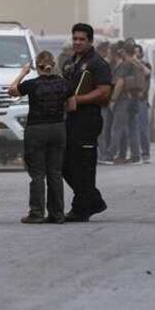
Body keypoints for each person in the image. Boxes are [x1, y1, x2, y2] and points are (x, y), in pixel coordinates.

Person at [61, 23, 113, 222]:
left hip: (88, 118)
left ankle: (82, 208)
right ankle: (93, 199)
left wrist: (78, 100)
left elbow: (104, 91)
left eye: (82, 39)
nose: (77, 42)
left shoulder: (97, 63)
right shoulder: (69, 62)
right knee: (64, 163)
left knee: (84, 165)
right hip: (69, 119)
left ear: (90, 41)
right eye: (75, 39)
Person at [9, 51, 69, 224]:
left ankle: (36, 212)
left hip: (36, 129)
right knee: (55, 172)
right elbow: (71, 106)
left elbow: (12, 91)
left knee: (37, 173)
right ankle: (57, 213)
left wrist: (23, 72)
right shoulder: (64, 84)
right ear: (53, 64)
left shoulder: (32, 84)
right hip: (58, 128)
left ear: (37, 66)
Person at [104, 43, 145, 165]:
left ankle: (110, 156)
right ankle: (136, 156)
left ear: (124, 52)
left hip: (124, 100)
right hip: (135, 98)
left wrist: (113, 100)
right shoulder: (137, 63)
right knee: (133, 128)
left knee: (117, 128)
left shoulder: (126, 64)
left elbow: (120, 82)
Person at [134, 44, 153, 163]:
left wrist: (136, 62)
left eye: (137, 53)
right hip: (130, 100)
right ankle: (134, 154)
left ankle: (145, 153)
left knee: (142, 128)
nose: (135, 55)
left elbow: (147, 73)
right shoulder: (128, 65)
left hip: (141, 101)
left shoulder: (144, 65)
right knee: (131, 129)